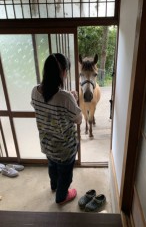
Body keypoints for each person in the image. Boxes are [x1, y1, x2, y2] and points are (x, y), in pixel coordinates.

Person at [31, 53, 82, 204]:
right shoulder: (65, 98)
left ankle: (54, 185)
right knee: (66, 174)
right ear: (63, 72)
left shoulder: (35, 90)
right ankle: (61, 196)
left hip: (47, 144)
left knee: (52, 165)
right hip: (64, 149)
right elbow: (78, 120)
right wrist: (74, 99)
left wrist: (69, 97)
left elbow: (41, 106)